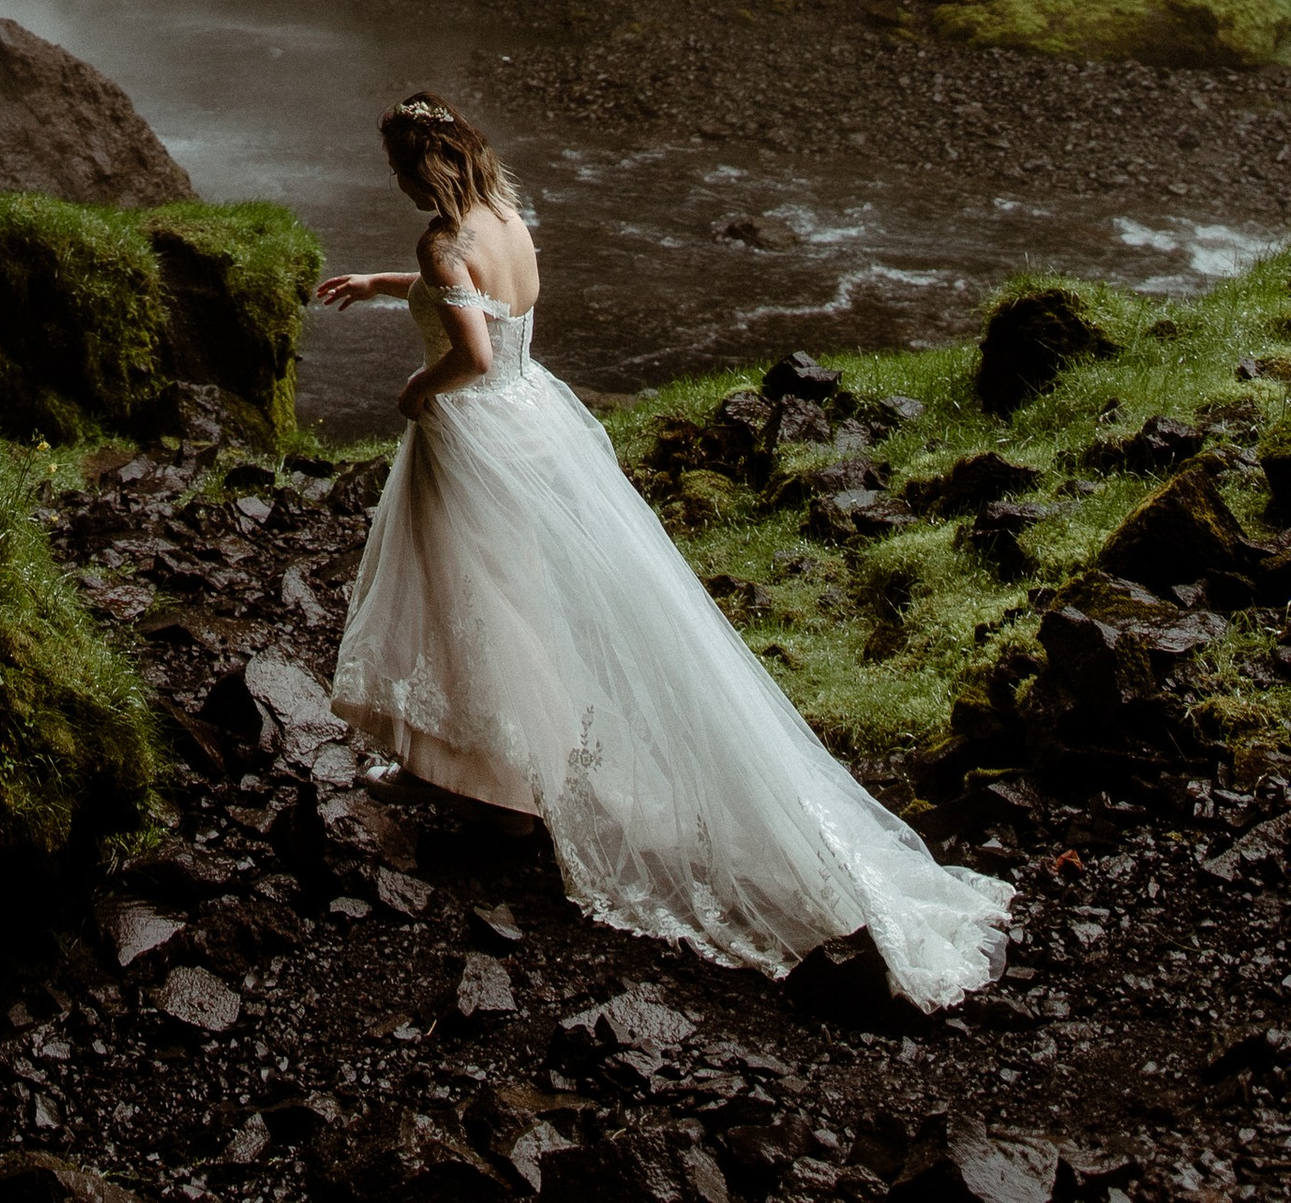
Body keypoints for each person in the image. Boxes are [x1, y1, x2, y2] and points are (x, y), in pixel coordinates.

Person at [316, 91, 1012, 1007]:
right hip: (538, 420)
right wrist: (381, 286)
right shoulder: (504, 218)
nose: (398, 184)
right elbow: (487, 307)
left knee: (471, 599)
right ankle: (495, 773)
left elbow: (472, 355)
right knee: (519, 596)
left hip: (477, 426)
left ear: (425, 168)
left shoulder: (441, 241)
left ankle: (497, 789)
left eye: (401, 171)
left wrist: (414, 392)